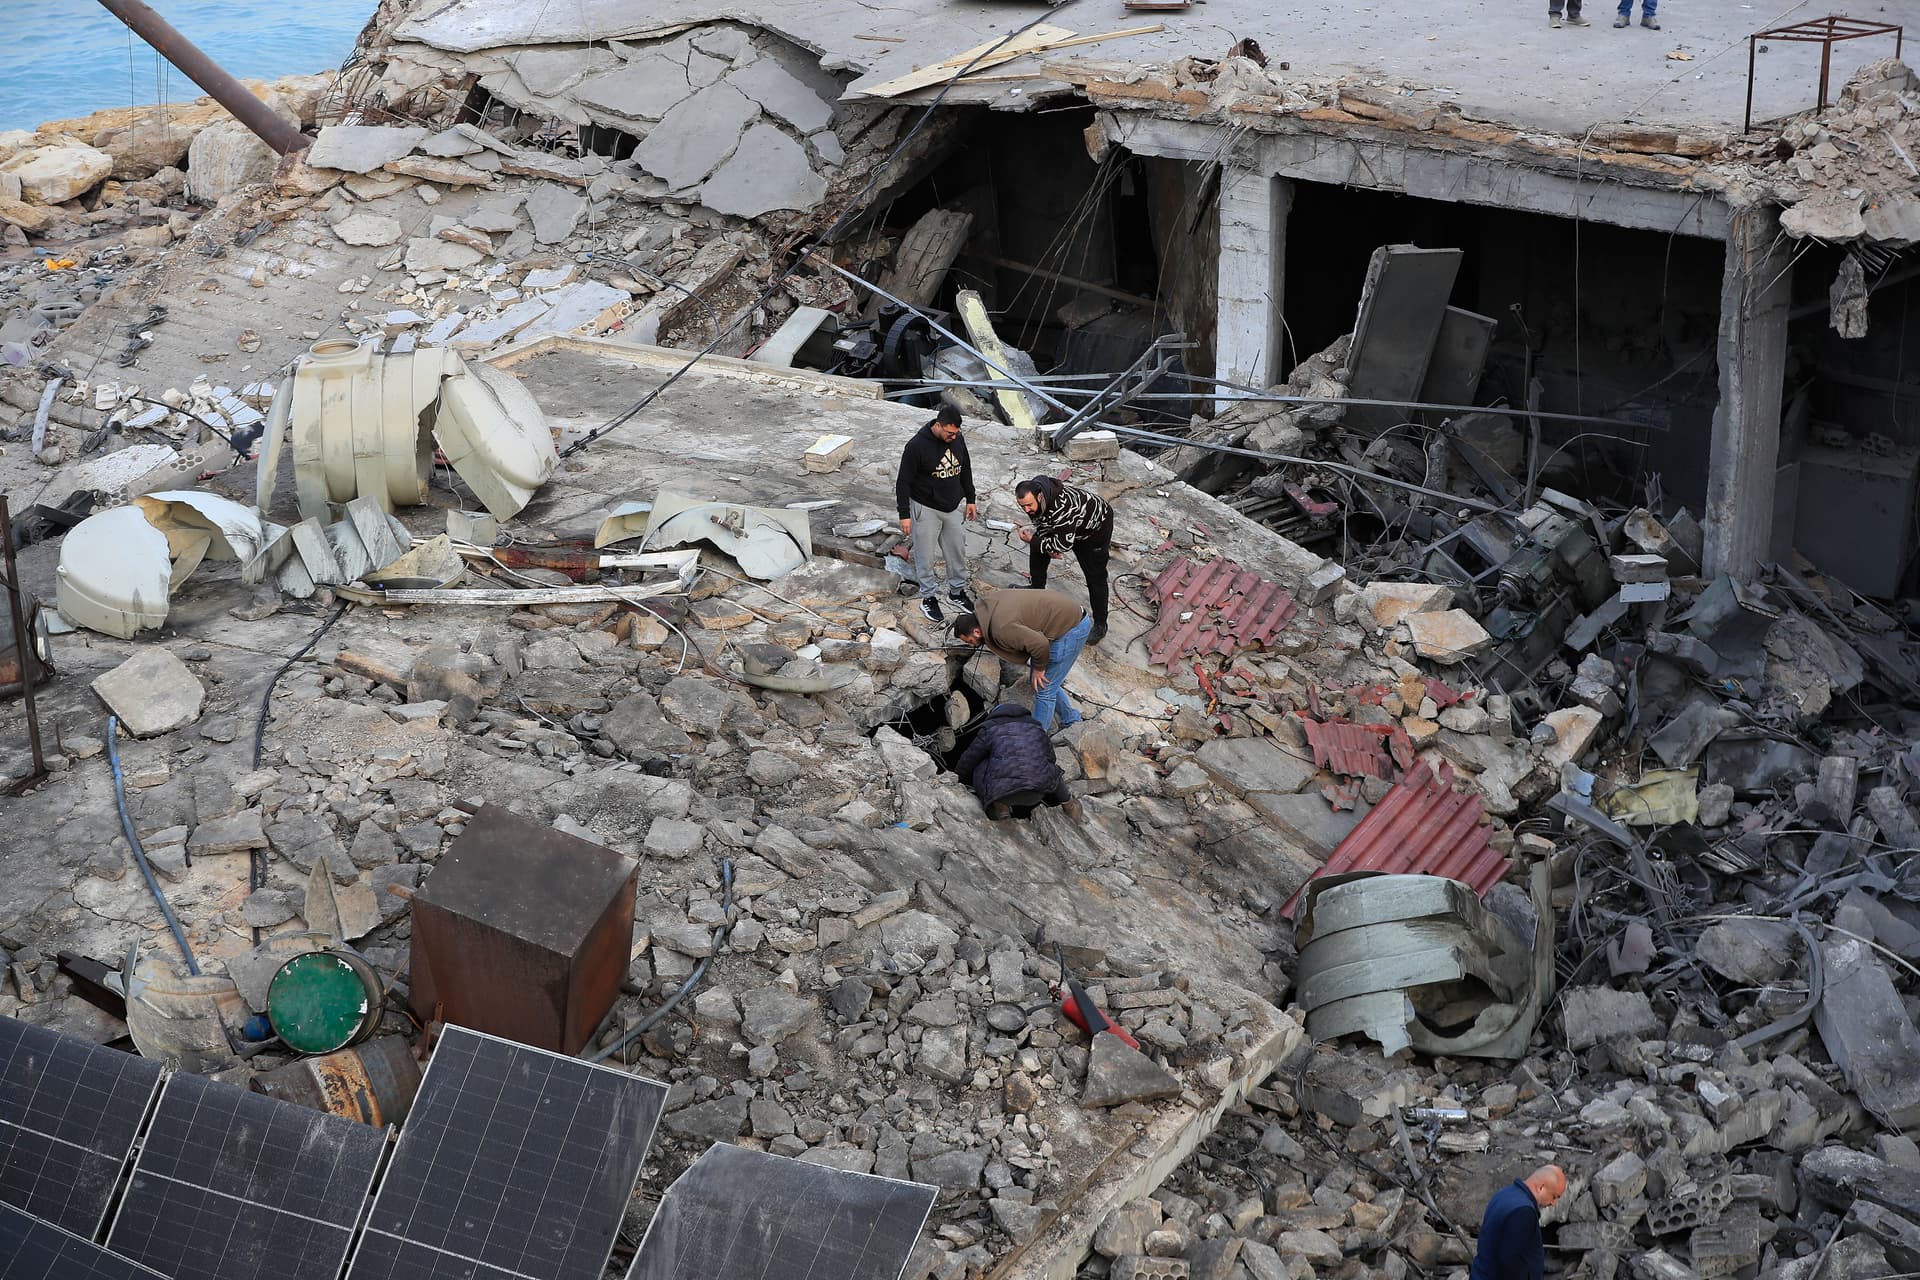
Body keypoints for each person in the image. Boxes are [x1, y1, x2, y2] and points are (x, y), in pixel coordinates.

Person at [952, 588, 1094, 732]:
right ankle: (1070, 718)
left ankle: (1035, 741)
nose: (971, 644)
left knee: (1045, 690)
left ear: (976, 631)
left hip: (1072, 628)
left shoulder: (1002, 628)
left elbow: (1040, 644)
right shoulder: (987, 608)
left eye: (970, 641)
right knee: (1043, 680)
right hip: (1064, 614)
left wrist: (1039, 668)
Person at [895, 403, 977, 626]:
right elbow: (903, 482)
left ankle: (957, 592)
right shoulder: (916, 446)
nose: (953, 436)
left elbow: (966, 467)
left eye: (956, 433)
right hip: (925, 507)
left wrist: (971, 498)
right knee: (925, 555)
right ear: (938, 426)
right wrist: (905, 514)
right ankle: (928, 597)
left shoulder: (957, 439)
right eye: (949, 432)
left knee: (957, 551)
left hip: (952, 506)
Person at [1015, 476, 1115, 646]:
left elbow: (1063, 544)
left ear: (1040, 497)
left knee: (1095, 576)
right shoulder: (1039, 491)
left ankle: (1100, 624)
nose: (1026, 510)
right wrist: (1045, 546)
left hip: (1094, 529)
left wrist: (1039, 542)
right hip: (1067, 525)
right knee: (1038, 548)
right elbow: (1043, 523)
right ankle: (1036, 589)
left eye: (1029, 505)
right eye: (1022, 506)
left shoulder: (1063, 509)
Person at [955, 703, 1080, 820]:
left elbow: (970, 758)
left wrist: (958, 777)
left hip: (1004, 794)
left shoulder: (990, 728)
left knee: (981, 763)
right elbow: (1051, 757)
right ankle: (1069, 805)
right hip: (1038, 792)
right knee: (1049, 767)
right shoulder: (1037, 727)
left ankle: (1001, 810)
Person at [1469, 1165, 1566, 1280]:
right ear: (1541, 1187)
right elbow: (1511, 1263)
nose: (1553, 1203)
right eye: (1554, 1196)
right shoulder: (1523, 1212)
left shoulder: (1504, 1194)